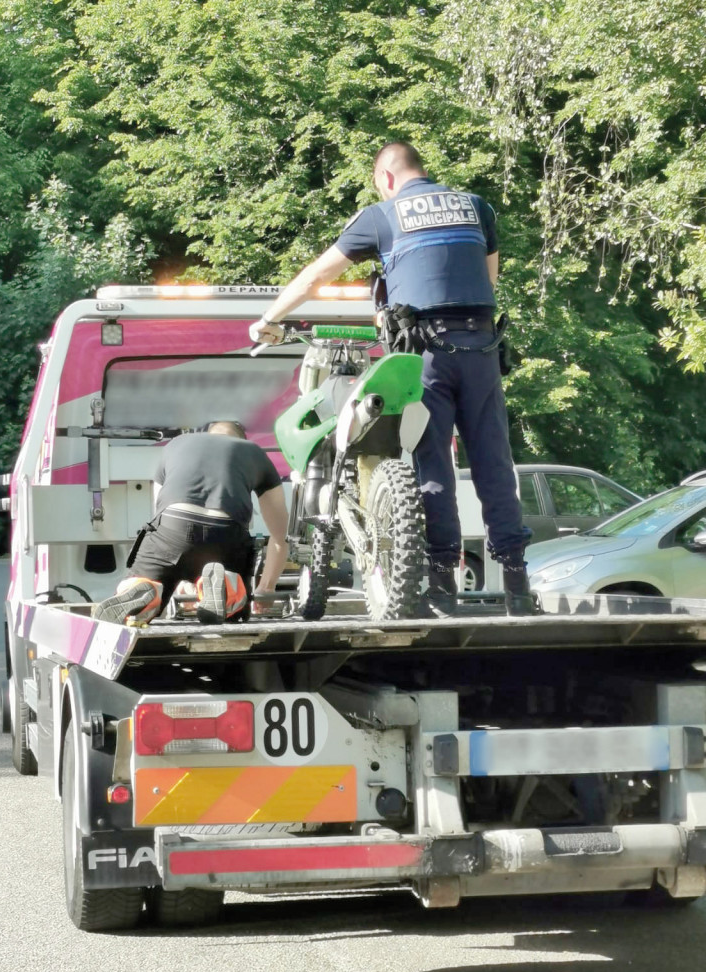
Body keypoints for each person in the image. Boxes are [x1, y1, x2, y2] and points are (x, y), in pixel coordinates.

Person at [249, 141, 534, 616]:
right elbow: (490, 279)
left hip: (426, 354)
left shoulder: (381, 216)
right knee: (495, 466)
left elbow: (316, 275)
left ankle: (442, 588)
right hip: (482, 349)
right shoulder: (475, 207)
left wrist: (268, 318)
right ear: (422, 169)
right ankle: (519, 590)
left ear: (384, 177)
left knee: (433, 464)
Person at [93, 421, 289, 625]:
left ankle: (143, 588)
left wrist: (178, 577)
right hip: (225, 532)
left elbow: (158, 513)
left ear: (207, 433)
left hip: (171, 526)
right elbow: (280, 535)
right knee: (235, 606)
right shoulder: (253, 452)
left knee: (146, 580)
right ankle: (228, 590)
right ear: (241, 439)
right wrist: (266, 587)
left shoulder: (177, 444)